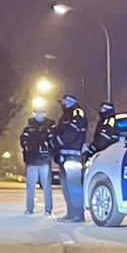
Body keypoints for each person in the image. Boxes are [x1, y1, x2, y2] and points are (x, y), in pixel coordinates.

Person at [54, 94, 89, 222]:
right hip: (64, 155)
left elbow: (72, 132)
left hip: (73, 155)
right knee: (67, 187)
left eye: (64, 102)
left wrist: (58, 140)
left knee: (74, 186)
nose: (62, 104)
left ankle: (78, 215)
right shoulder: (66, 114)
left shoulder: (77, 113)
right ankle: (70, 213)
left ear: (70, 102)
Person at [19, 110, 55, 215]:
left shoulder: (49, 128)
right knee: (31, 185)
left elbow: (52, 142)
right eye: (37, 113)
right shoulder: (28, 128)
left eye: (41, 113)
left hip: (43, 160)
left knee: (46, 185)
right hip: (32, 160)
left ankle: (48, 209)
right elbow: (23, 141)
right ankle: (30, 208)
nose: (39, 115)